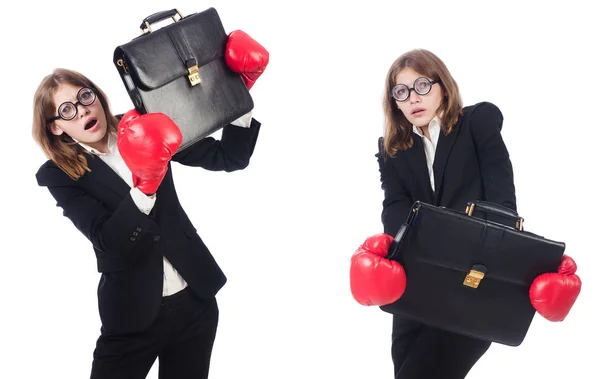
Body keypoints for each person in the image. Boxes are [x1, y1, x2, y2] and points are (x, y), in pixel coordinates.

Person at [32, 30, 268, 379]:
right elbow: (108, 241)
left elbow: (228, 157)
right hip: (131, 320)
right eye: (67, 109)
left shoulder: (144, 124)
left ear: (98, 95)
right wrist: (144, 186)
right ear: (55, 128)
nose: (82, 109)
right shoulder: (59, 174)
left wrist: (238, 92)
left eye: (85, 96)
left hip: (195, 303)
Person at [349, 49, 582, 378]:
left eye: (421, 85)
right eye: (401, 91)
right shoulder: (392, 150)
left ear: (442, 85)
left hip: (472, 286)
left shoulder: (476, 123)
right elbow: (394, 207)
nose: (413, 97)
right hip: (416, 288)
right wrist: (392, 251)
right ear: (394, 102)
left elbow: (502, 203)